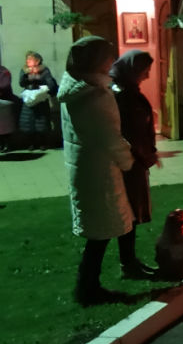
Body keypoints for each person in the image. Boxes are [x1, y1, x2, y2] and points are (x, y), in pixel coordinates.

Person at [57, 37, 136, 305]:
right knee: (100, 233)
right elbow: (109, 136)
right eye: (108, 56)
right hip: (100, 168)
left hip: (85, 166)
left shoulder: (75, 89)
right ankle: (88, 289)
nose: (112, 61)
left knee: (97, 231)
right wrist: (128, 161)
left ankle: (88, 286)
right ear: (97, 60)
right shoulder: (96, 95)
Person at [110, 50, 160, 279]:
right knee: (128, 211)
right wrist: (144, 154)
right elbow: (128, 132)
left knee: (133, 211)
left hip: (137, 160)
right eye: (144, 71)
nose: (147, 76)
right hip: (129, 162)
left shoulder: (130, 93)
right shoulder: (121, 96)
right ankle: (127, 263)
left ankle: (130, 260)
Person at [19, 50, 58, 150]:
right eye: (27, 59)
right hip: (29, 99)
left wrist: (38, 78)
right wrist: (27, 76)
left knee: (42, 122)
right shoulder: (24, 70)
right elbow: (21, 83)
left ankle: (42, 143)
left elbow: (50, 83)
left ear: (37, 60)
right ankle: (31, 143)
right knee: (28, 122)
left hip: (40, 99)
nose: (28, 61)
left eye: (31, 59)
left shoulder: (44, 70)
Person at [0, 57, 16, 153]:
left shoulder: (4, 71)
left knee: (5, 126)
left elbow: (4, 85)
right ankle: (1, 144)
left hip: (5, 102)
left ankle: (7, 144)